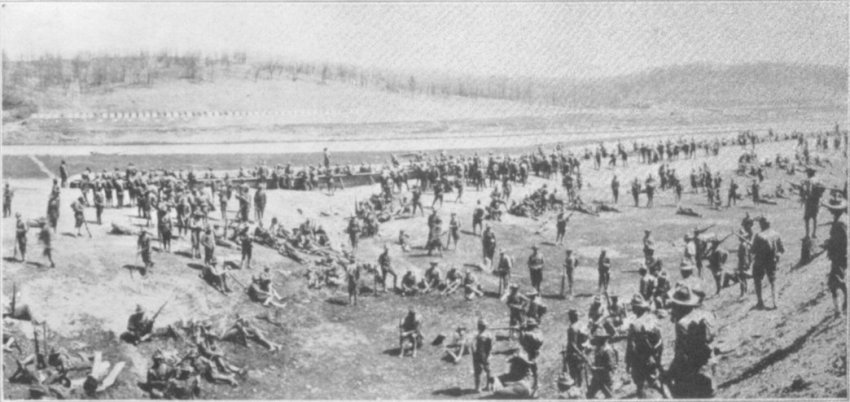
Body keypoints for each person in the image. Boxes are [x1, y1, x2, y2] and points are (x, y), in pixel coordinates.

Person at [666, 285, 716, 398]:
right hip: (710, 362)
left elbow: (681, 353)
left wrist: (671, 371)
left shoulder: (682, 324)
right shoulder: (704, 314)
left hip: (695, 369)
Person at [626, 294, 665, 398]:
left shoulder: (634, 325)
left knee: (640, 384)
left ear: (636, 308)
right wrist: (658, 358)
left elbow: (630, 347)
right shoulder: (654, 320)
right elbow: (660, 342)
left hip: (640, 360)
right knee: (654, 380)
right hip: (653, 358)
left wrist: (628, 362)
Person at [751, 216, 784, 310]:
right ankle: (775, 302)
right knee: (773, 281)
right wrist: (777, 256)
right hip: (772, 261)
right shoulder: (776, 234)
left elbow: (753, 250)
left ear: (762, 224)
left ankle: (760, 302)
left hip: (760, 262)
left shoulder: (758, 235)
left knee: (757, 280)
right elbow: (782, 249)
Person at [586, 326, 618, 399]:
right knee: (589, 395)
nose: (596, 341)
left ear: (602, 340)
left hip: (605, 379)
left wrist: (596, 368)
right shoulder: (599, 349)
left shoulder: (607, 351)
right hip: (597, 378)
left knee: (609, 397)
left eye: (597, 339)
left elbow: (610, 367)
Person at [825, 216, 847, 316]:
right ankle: (838, 309)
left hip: (839, 259)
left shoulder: (840, 225)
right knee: (833, 283)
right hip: (836, 259)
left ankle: (843, 305)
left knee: (836, 281)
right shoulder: (839, 223)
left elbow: (843, 243)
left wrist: (830, 245)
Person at [563, 309, 589, 389]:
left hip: (574, 355)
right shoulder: (581, 324)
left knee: (574, 375)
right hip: (582, 351)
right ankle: (580, 388)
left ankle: (576, 390)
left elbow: (572, 344)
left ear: (571, 317)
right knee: (580, 373)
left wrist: (580, 354)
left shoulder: (572, 328)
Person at [517, 319, 543, 395]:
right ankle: (535, 382)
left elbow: (522, 341)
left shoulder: (529, 334)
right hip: (534, 351)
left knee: (533, 368)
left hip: (532, 352)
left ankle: (535, 384)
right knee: (534, 368)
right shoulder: (538, 332)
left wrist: (521, 331)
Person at [801, 167, 825, 238]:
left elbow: (805, 190)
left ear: (809, 172)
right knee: (815, 218)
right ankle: (814, 233)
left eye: (807, 172)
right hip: (816, 201)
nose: (806, 173)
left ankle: (807, 235)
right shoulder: (819, 180)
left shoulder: (808, 180)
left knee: (807, 219)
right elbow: (823, 189)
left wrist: (803, 198)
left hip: (809, 201)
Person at [472, 319, 494, 392]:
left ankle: (478, 388)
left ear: (479, 326)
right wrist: (489, 354)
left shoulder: (481, 336)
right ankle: (488, 386)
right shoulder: (488, 334)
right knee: (488, 370)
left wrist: (475, 354)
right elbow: (490, 346)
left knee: (478, 372)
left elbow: (479, 348)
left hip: (480, 355)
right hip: (486, 355)